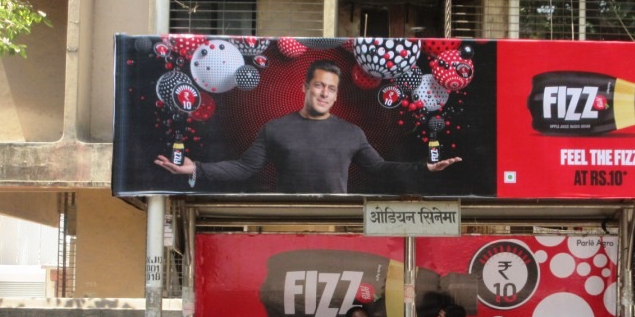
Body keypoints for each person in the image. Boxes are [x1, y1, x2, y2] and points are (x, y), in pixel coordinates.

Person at [154, 60, 461, 193]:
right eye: (318, 86)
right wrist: (196, 169)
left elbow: (380, 169)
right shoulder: (274, 129)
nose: (324, 93)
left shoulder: (352, 133)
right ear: (305, 87)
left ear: (337, 94)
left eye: (331, 88)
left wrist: (424, 168)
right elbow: (244, 168)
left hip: (337, 225)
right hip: (287, 222)